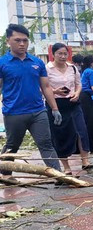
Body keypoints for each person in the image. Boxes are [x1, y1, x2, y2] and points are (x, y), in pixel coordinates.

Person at [0, 24, 62, 177]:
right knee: (12, 145)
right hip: (13, 113)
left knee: (46, 144)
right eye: (17, 40)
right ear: (8, 41)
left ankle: (58, 176)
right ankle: (6, 175)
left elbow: (46, 87)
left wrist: (55, 109)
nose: (22, 44)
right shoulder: (2, 63)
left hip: (38, 112)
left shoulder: (37, 62)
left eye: (25, 40)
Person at [46, 43, 93, 175]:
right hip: (56, 104)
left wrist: (77, 93)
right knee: (61, 134)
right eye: (59, 54)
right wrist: (55, 91)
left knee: (81, 130)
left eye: (65, 54)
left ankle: (85, 161)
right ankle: (66, 167)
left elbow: (78, 85)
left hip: (73, 102)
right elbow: (42, 88)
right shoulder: (47, 69)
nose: (62, 56)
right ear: (53, 54)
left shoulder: (73, 68)